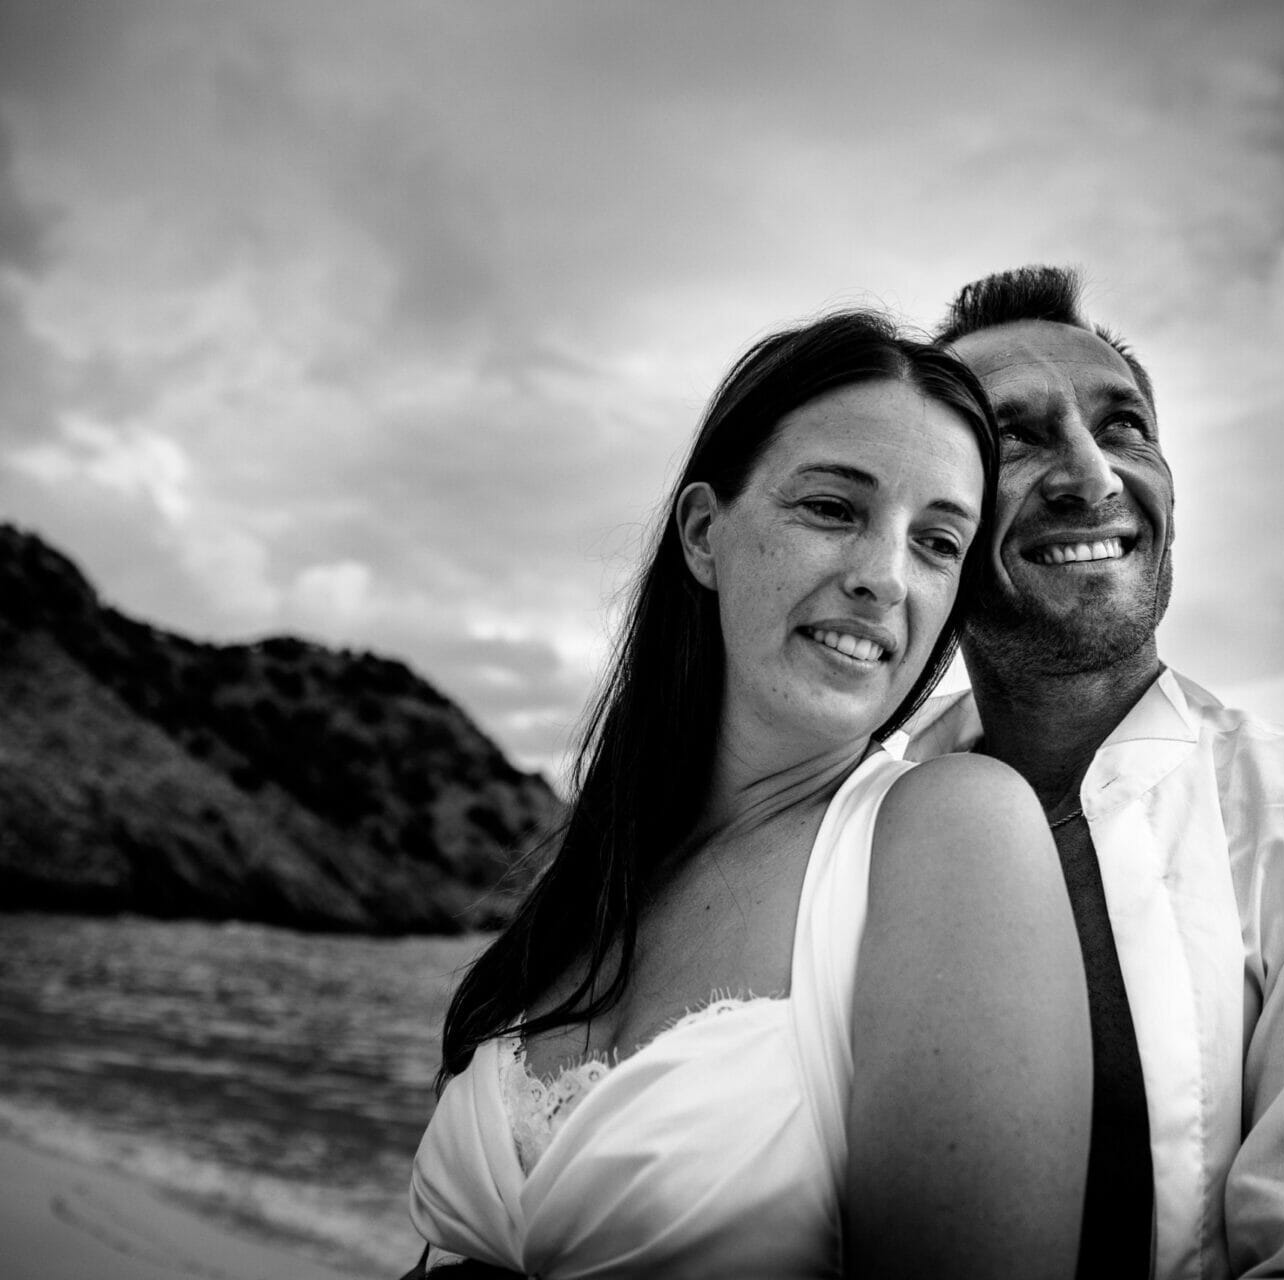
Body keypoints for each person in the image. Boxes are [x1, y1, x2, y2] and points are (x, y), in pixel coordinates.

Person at [406, 311, 1093, 1277]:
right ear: (702, 534)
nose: (884, 579)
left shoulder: (953, 830)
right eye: (833, 509)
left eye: (939, 542)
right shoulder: (607, 866)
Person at [905, 265, 1284, 1280]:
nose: (1093, 477)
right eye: (1017, 435)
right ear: (935, 520)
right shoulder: (856, 824)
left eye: (1124, 425)